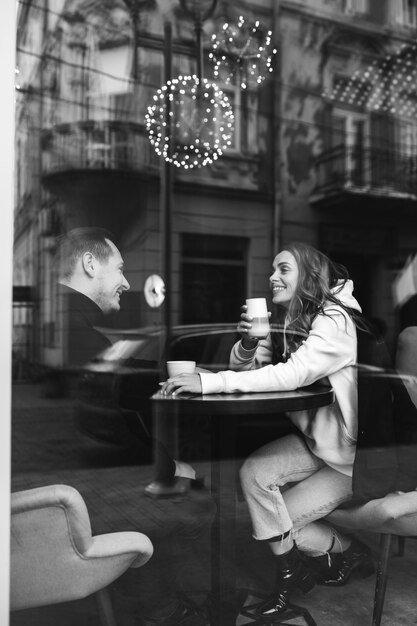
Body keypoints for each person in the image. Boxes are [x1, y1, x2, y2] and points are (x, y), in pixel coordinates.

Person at [160, 242, 373, 617]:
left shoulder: (335, 320)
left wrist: (210, 383)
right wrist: (247, 343)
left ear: (308, 275)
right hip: (316, 444)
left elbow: (292, 374)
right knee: (255, 475)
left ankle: (334, 558)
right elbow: (252, 374)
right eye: (273, 270)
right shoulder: (289, 322)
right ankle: (307, 569)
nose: (273, 277)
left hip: (350, 459)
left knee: (275, 526)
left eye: (283, 269)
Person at [56, 227, 212, 626]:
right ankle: (162, 613)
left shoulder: (70, 320)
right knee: (192, 504)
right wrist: (173, 468)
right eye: (120, 269)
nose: (127, 281)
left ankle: (161, 605)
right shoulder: (76, 329)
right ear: (90, 264)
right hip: (75, 500)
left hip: (69, 489)